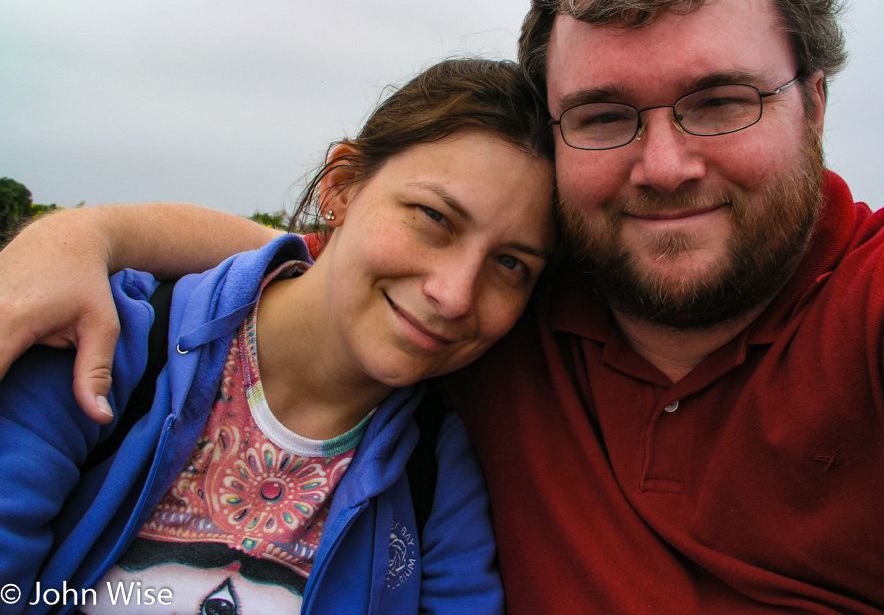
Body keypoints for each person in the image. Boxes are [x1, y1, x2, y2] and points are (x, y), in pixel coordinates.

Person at [1, 0, 884, 613]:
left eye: (720, 99)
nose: (664, 165)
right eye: (606, 115)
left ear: (814, 103)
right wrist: (84, 235)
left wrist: (94, 231)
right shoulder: (513, 309)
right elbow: (325, 276)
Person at [0, 58, 558, 615]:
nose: (455, 295)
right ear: (340, 188)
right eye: (434, 217)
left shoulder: (438, 464)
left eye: (510, 264)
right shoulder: (115, 340)